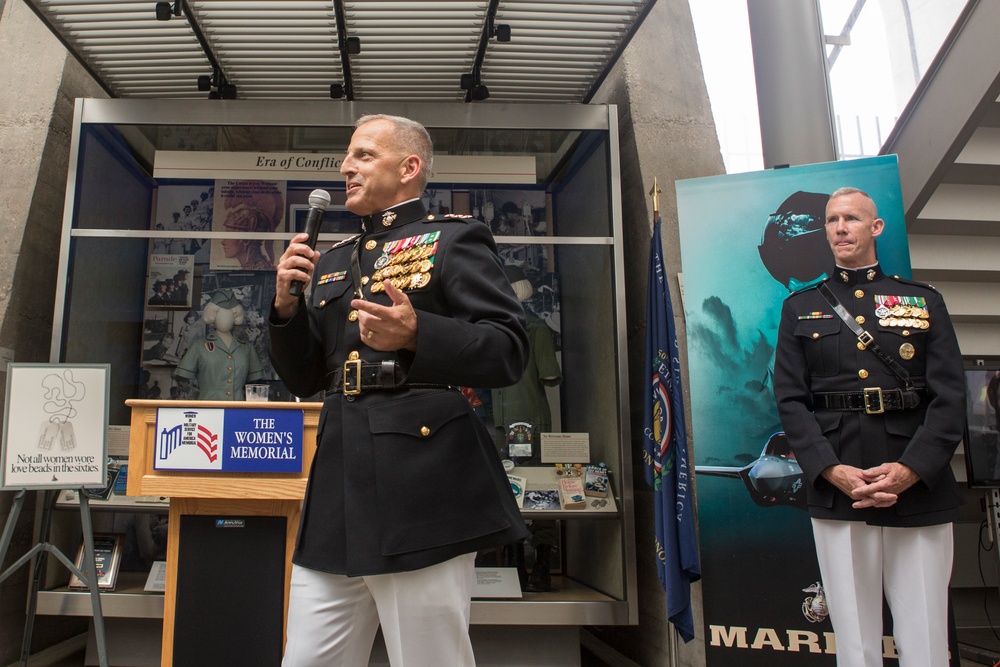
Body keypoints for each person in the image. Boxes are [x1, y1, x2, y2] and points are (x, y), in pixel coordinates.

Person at [269, 114, 529, 666]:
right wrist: (286, 309)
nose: (346, 166)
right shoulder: (334, 260)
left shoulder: (452, 239)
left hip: (423, 487)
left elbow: (509, 350)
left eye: (364, 155)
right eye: (347, 156)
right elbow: (304, 378)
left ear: (409, 168)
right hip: (339, 490)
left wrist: (419, 334)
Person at [773, 187, 965, 666]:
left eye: (852, 219)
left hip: (917, 484)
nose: (840, 228)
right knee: (854, 643)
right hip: (842, 484)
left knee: (925, 636)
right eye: (832, 220)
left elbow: (950, 397)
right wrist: (829, 470)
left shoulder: (922, 300)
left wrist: (913, 469)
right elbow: (791, 401)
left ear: (875, 227)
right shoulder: (800, 308)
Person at [175, 289, 265, 399]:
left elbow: (256, 381)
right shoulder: (198, 346)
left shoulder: (246, 348)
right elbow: (183, 376)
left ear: (236, 317)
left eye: (230, 314)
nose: (225, 318)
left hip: (237, 411)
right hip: (208, 410)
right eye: (219, 314)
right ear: (212, 316)